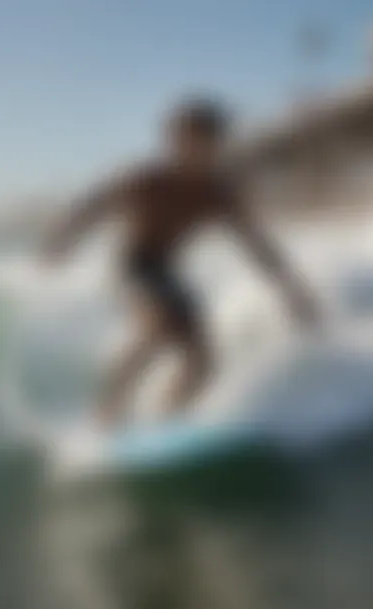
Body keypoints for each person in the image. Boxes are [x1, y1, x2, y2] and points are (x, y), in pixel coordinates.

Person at [42, 97, 320, 429]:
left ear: (218, 144)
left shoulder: (217, 193)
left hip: (165, 269)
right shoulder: (146, 180)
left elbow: (257, 246)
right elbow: (94, 204)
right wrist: (62, 239)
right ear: (173, 142)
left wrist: (292, 291)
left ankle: (169, 421)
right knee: (160, 327)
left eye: (208, 142)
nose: (199, 151)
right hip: (131, 267)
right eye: (190, 141)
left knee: (204, 360)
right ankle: (107, 412)